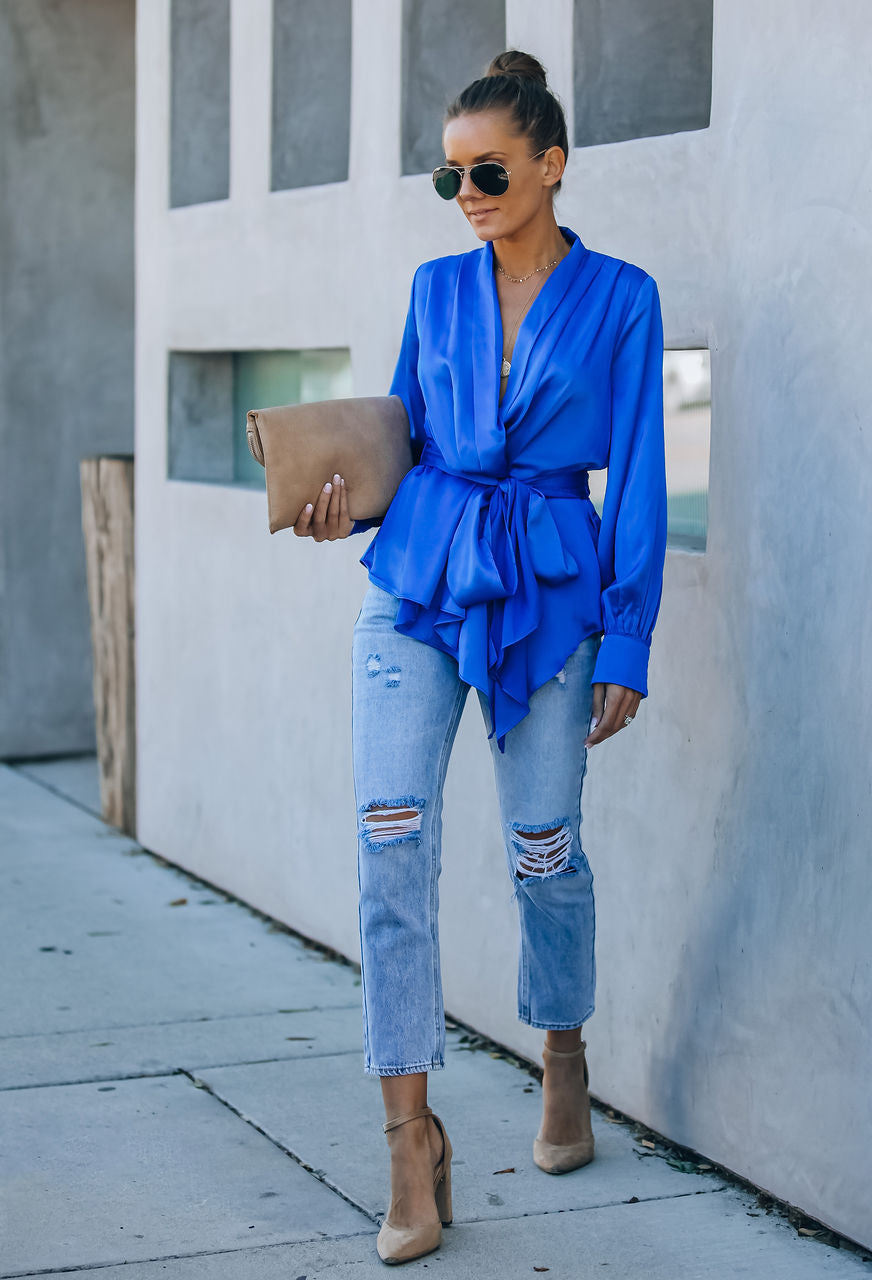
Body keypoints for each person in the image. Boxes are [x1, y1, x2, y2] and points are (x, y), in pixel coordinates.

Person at [294, 49, 667, 1267]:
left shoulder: (623, 298)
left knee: (541, 846)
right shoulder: (435, 287)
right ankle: (409, 1139)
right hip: (419, 579)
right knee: (388, 835)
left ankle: (561, 1042)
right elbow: (402, 436)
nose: (466, 193)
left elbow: (640, 476)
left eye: (489, 170)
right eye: (448, 175)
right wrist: (341, 502)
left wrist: (627, 634)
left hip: (550, 593)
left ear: (550, 165)